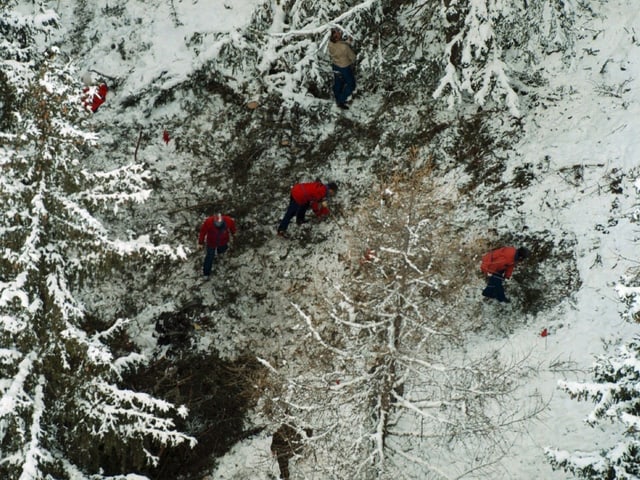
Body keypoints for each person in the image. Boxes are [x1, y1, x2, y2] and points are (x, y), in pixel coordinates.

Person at [328, 28, 356, 109]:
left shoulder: (330, 43)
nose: (339, 33)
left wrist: (347, 42)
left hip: (335, 65)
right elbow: (352, 56)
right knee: (351, 85)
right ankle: (340, 100)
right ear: (335, 36)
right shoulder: (344, 47)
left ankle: (337, 97)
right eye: (337, 34)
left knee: (338, 83)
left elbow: (339, 45)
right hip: (345, 67)